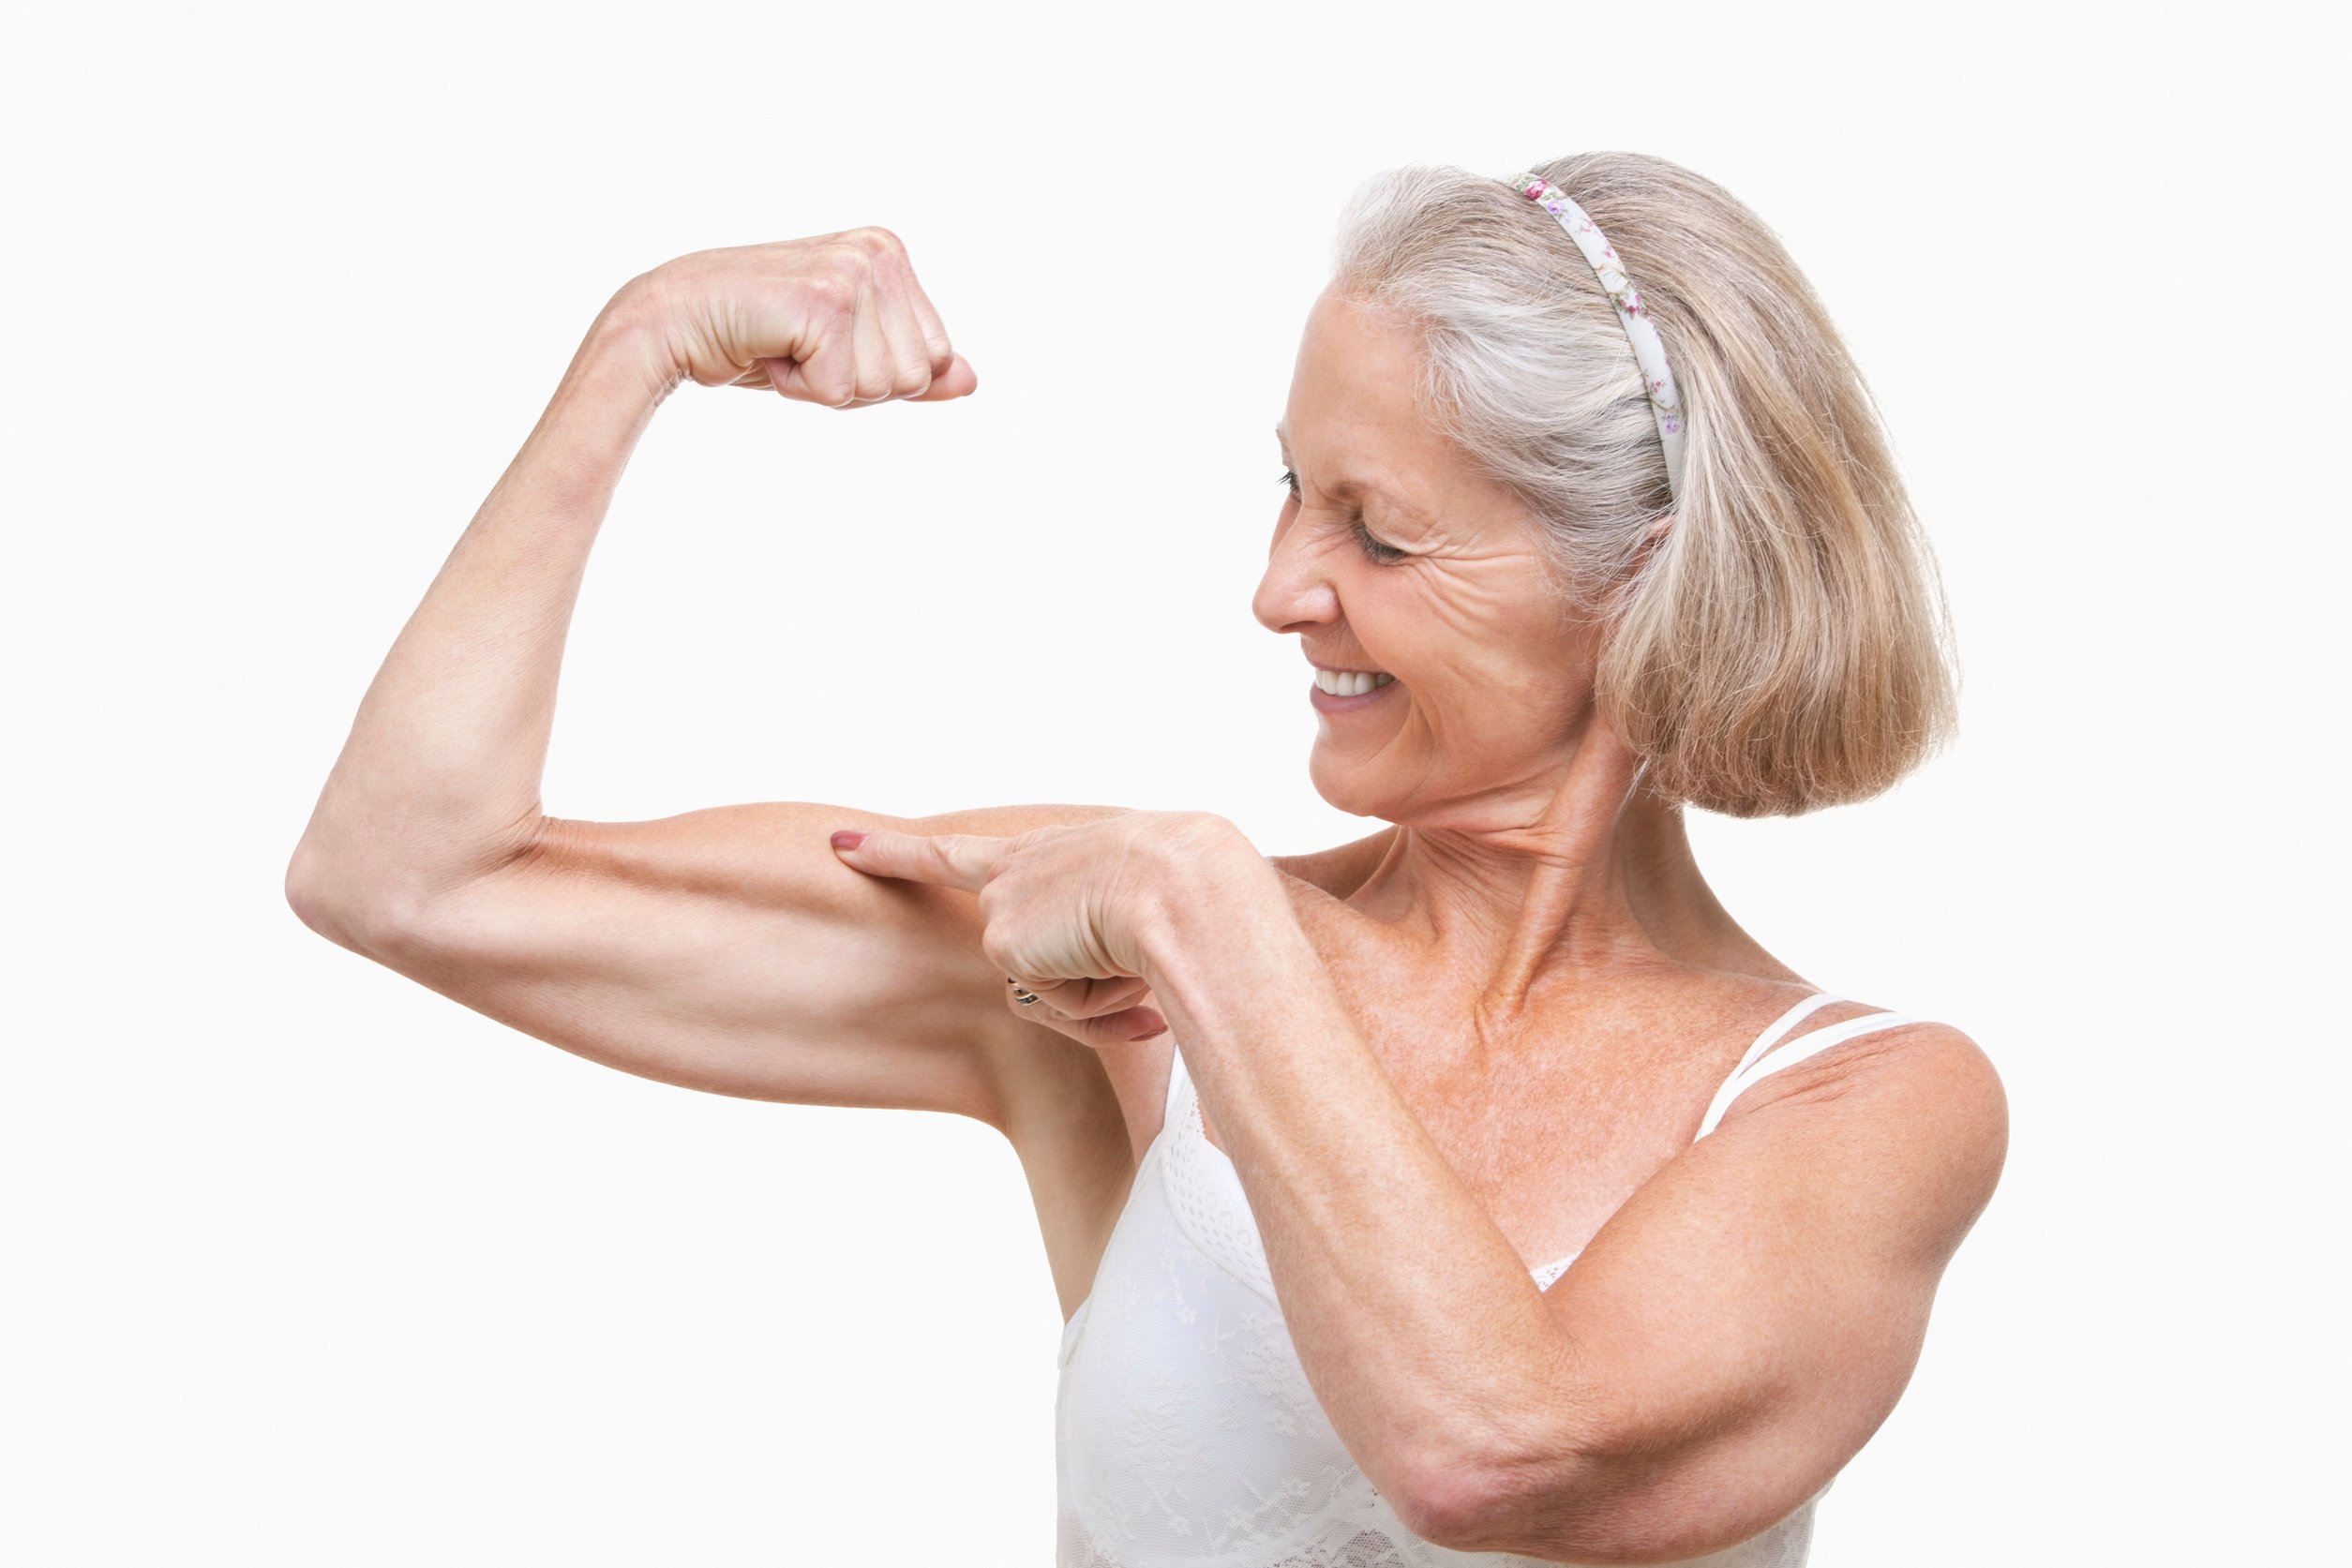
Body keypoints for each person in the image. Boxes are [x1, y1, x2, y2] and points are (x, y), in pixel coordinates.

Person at [286, 150, 2007, 1567]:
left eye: (1378, 529)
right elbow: (407, 875)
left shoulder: (1862, 1104)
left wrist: (1213, 918)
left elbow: (1502, 1452)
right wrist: (635, 346)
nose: (1280, 588)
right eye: (1288, 491)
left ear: (1639, 582)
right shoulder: (1105, 938)